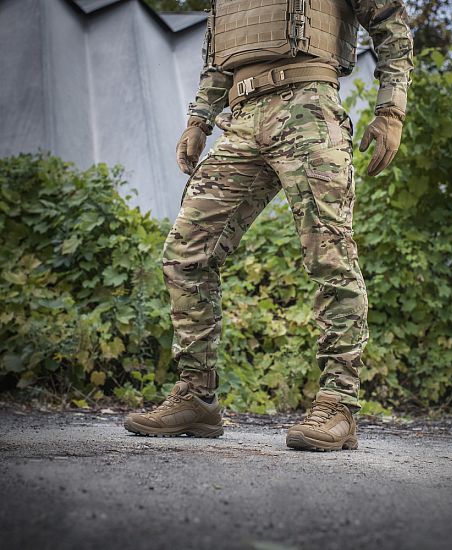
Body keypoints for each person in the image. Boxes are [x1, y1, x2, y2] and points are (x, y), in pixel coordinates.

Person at [124, 0, 413, 451]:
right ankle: (196, 396)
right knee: (186, 254)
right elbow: (221, 49)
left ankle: (338, 404)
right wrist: (199, 119)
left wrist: (391, 110)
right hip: (241, 120)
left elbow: (390, 20)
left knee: (330, 258)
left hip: (308, 107)